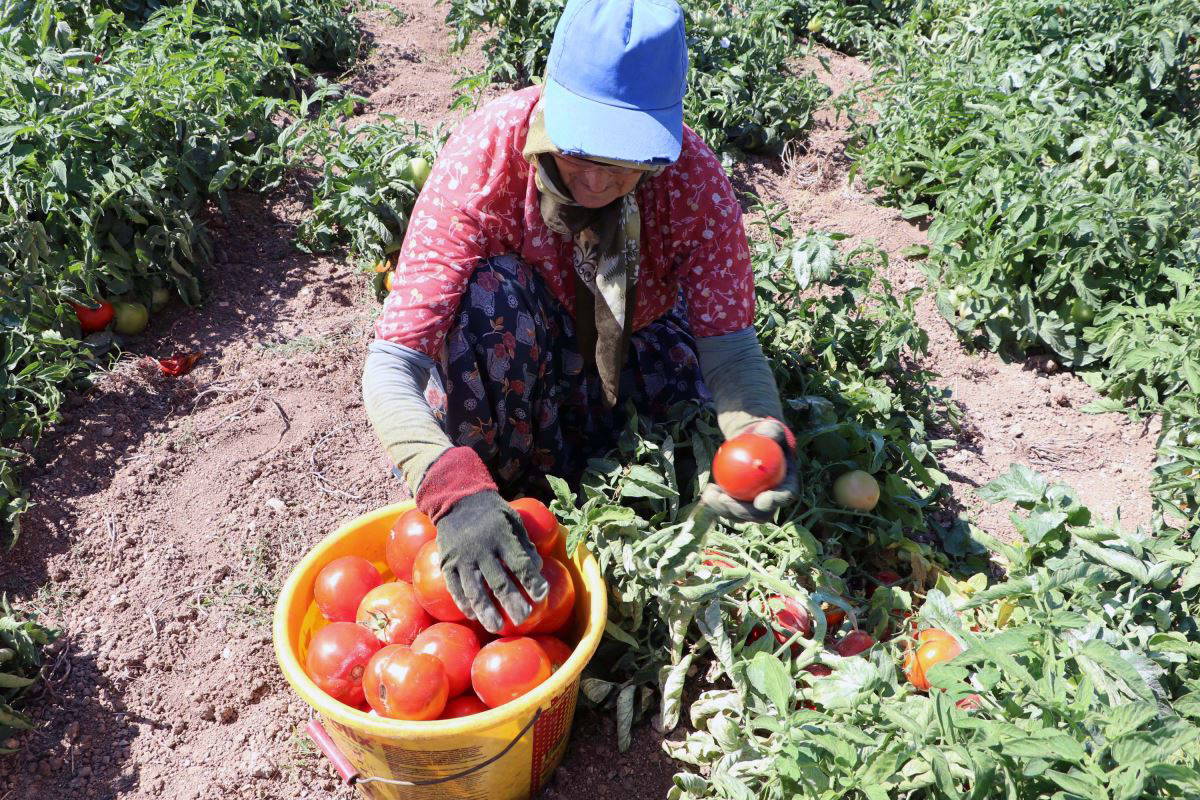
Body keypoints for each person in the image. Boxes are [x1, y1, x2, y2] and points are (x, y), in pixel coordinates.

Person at [363, 0, 797, 633]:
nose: (594, 181)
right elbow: (392, 364)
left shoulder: (693, 181)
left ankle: (605, 468)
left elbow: (730, 352)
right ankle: (506, 495)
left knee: (690, 453)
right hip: (525, 355)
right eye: (579, 151)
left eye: (623, 160)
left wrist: (762, 436)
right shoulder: (489, 154)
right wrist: (451, 490)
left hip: (637, 342)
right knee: (488, 299)